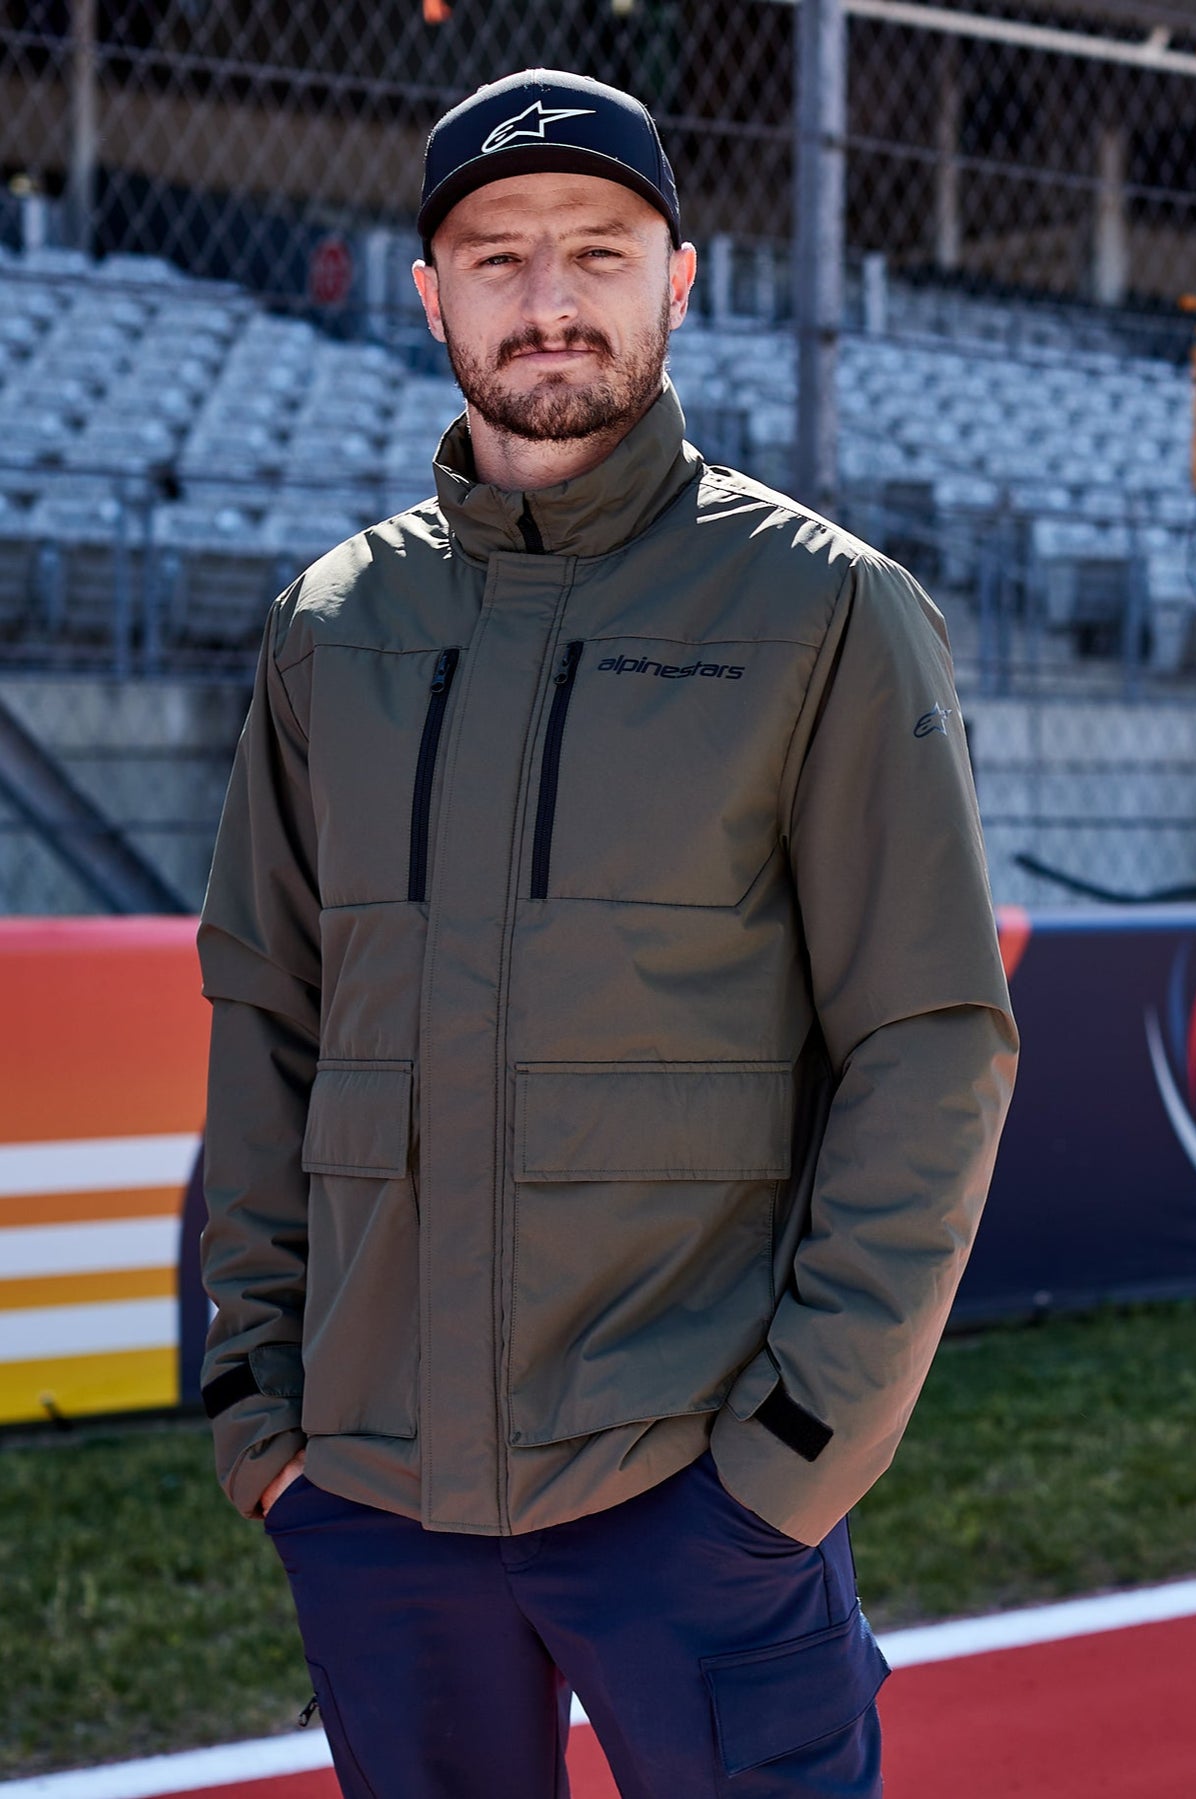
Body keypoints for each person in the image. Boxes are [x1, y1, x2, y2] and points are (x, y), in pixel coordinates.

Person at [198, 66, 1017, 1799]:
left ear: (682, 280)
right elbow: (266, 1019)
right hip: (375, 1505)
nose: (550, 298)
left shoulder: (827, 616)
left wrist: (793, 1454)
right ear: (428, 294)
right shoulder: (327, 631)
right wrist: (262, 1416)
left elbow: (931, 1041)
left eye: (598, 250)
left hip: (692, 1500)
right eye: (497, 258)